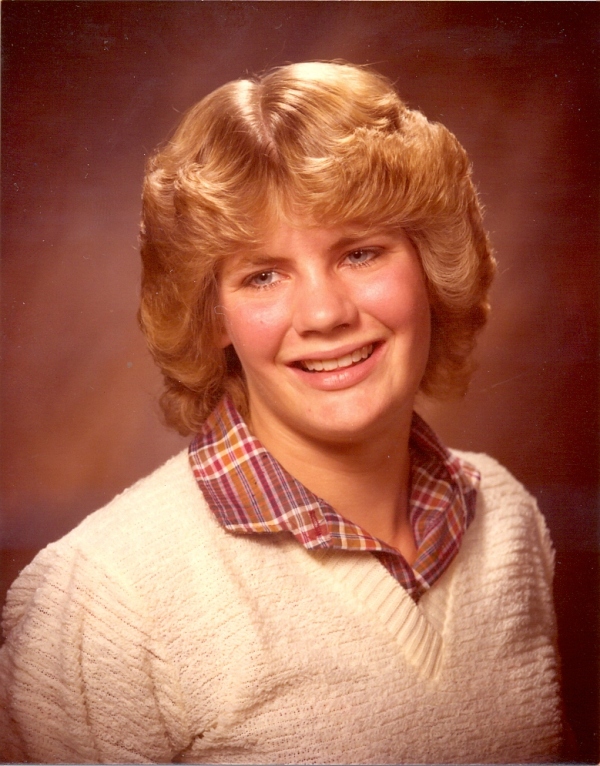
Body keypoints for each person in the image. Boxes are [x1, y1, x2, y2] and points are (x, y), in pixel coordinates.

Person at [0, 61, 564, 763]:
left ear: (429, 267)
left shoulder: (508, 521)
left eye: (360, 253)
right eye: (262, 275)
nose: (325, 314)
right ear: (213, 316)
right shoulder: (104, 598)